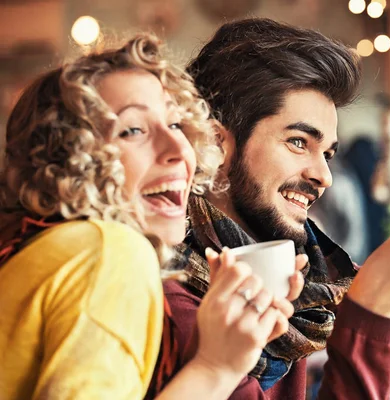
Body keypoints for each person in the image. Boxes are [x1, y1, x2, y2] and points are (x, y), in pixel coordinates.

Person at [156, 18, 390, 399]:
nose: (324, 175)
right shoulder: (172, 299)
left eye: (328, 153)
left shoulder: (302, 266)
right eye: (298, 142)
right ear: (216, 143)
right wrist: (371, 307)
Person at [0, 33, 305, 400]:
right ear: (65, 159)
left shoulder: (39, 247)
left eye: (176, 125)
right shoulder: (107, 249)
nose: (179, 148)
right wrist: (215, 368)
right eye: (133, 130)